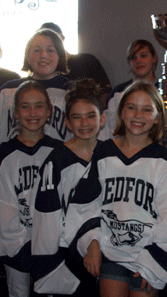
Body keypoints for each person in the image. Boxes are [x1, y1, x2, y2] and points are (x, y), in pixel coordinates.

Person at [65, 81, 167, 297]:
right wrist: (91, 241)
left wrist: (154, 264)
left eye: (147, 109)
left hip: (147, 255)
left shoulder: (165, 160)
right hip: (112, 253)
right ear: (121, 112)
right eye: (131, 107)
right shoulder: (104, 152)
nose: (138, 115)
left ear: (158, 116)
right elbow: (85, 203)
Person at [31, 79, 105, 295]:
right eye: (76, 117)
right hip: (67, 255)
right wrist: (49, 267)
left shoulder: (110, 155)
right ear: (67, 123)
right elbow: (45, 219)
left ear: (102, 120)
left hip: (105, 247)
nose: (84, 123)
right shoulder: (56, 160)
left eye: (91, 115)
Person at [0, 81, 62, 297]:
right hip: (15, 246)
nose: (32, 113)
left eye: (39, 106)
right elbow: (4, 209)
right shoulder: (4, 154)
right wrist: (19, 248)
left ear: (48, 111)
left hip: (52, 247)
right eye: (25, 106)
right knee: (19, 292)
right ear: (16, 112)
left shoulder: (59, 151)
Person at [0, 28, 71, 145]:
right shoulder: (7, 90)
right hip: (13, 161)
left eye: (50, 50)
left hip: (60, 161)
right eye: (37, 50)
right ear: (27, 56)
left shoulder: (71, 90)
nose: (43, 55)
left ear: (60, 56)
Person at [98, 39, 158, 140]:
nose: (138, 61)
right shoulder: (118, 92)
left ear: (154, 58)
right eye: (133, 58)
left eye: (143, 56)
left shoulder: (165, 90)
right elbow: (107, 129)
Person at [39, 22, 112, 98]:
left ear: (62, 38)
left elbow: (105, 93)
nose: (51, 44)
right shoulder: (45, 72)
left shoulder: (87, 61)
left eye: (54, 39)